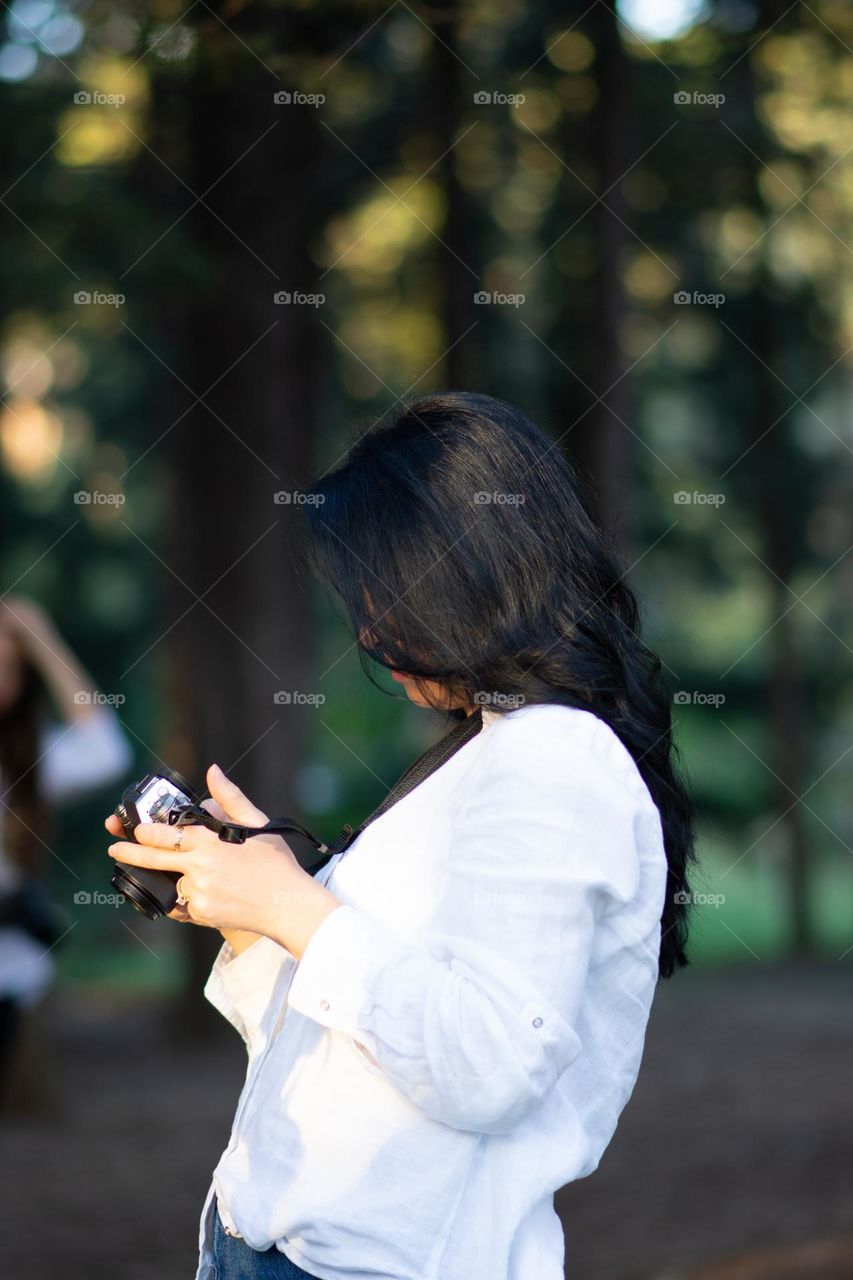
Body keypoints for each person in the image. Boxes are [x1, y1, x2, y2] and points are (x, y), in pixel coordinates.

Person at [106, 392, 696, 1280]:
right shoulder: (490, 747)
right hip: (271, 1245)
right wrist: (246, 904)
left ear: (472, 569)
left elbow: (486, 1065)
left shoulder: (555, 755)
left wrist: (291, 902)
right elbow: (351, 1050)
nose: (371, 629)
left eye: (388, 589)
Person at [0, 596, 132, 1099]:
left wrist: (41, 638)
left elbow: (104, 752)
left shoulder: (27, 762)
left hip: (8, 976)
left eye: (12, 666)